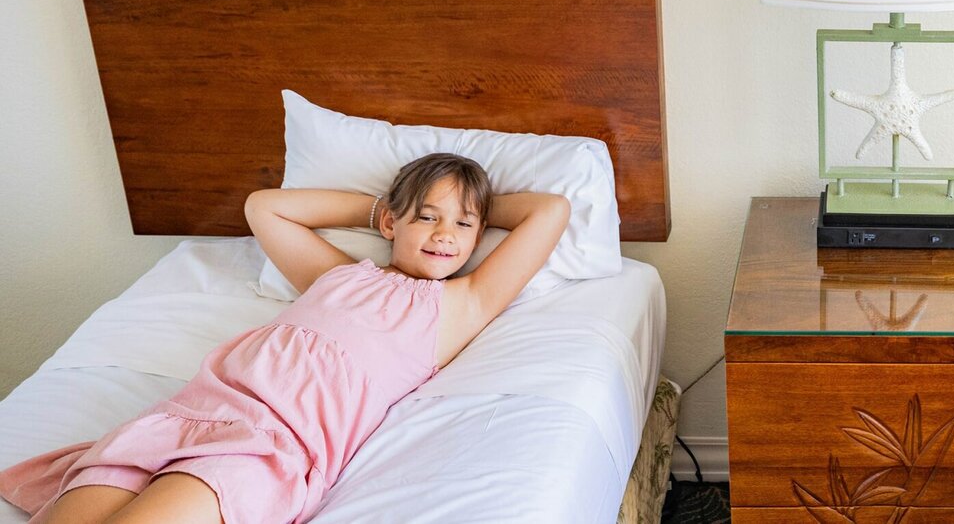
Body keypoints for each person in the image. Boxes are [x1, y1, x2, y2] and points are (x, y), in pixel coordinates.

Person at [0, 153, 570, 523]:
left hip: (265, 449)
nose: (446, 235)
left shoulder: (459, 305)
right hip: (185, 416)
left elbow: (551, 209)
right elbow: (265, 207)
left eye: (465, 225)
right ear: (393, 224)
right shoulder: (338, 276)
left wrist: (471, 203)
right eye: (427, 218)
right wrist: (384, 209)